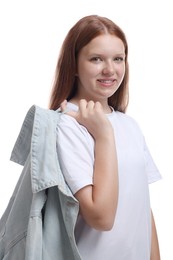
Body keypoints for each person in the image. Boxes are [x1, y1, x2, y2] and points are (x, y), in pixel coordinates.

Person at [49, 15, 161, 260]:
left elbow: (142, 207)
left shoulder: (130, 125)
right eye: (96, 59)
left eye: (118, 59)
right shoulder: (65, 127)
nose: (110, 69)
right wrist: (104, 135)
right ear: (74, 65)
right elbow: (101, 218)